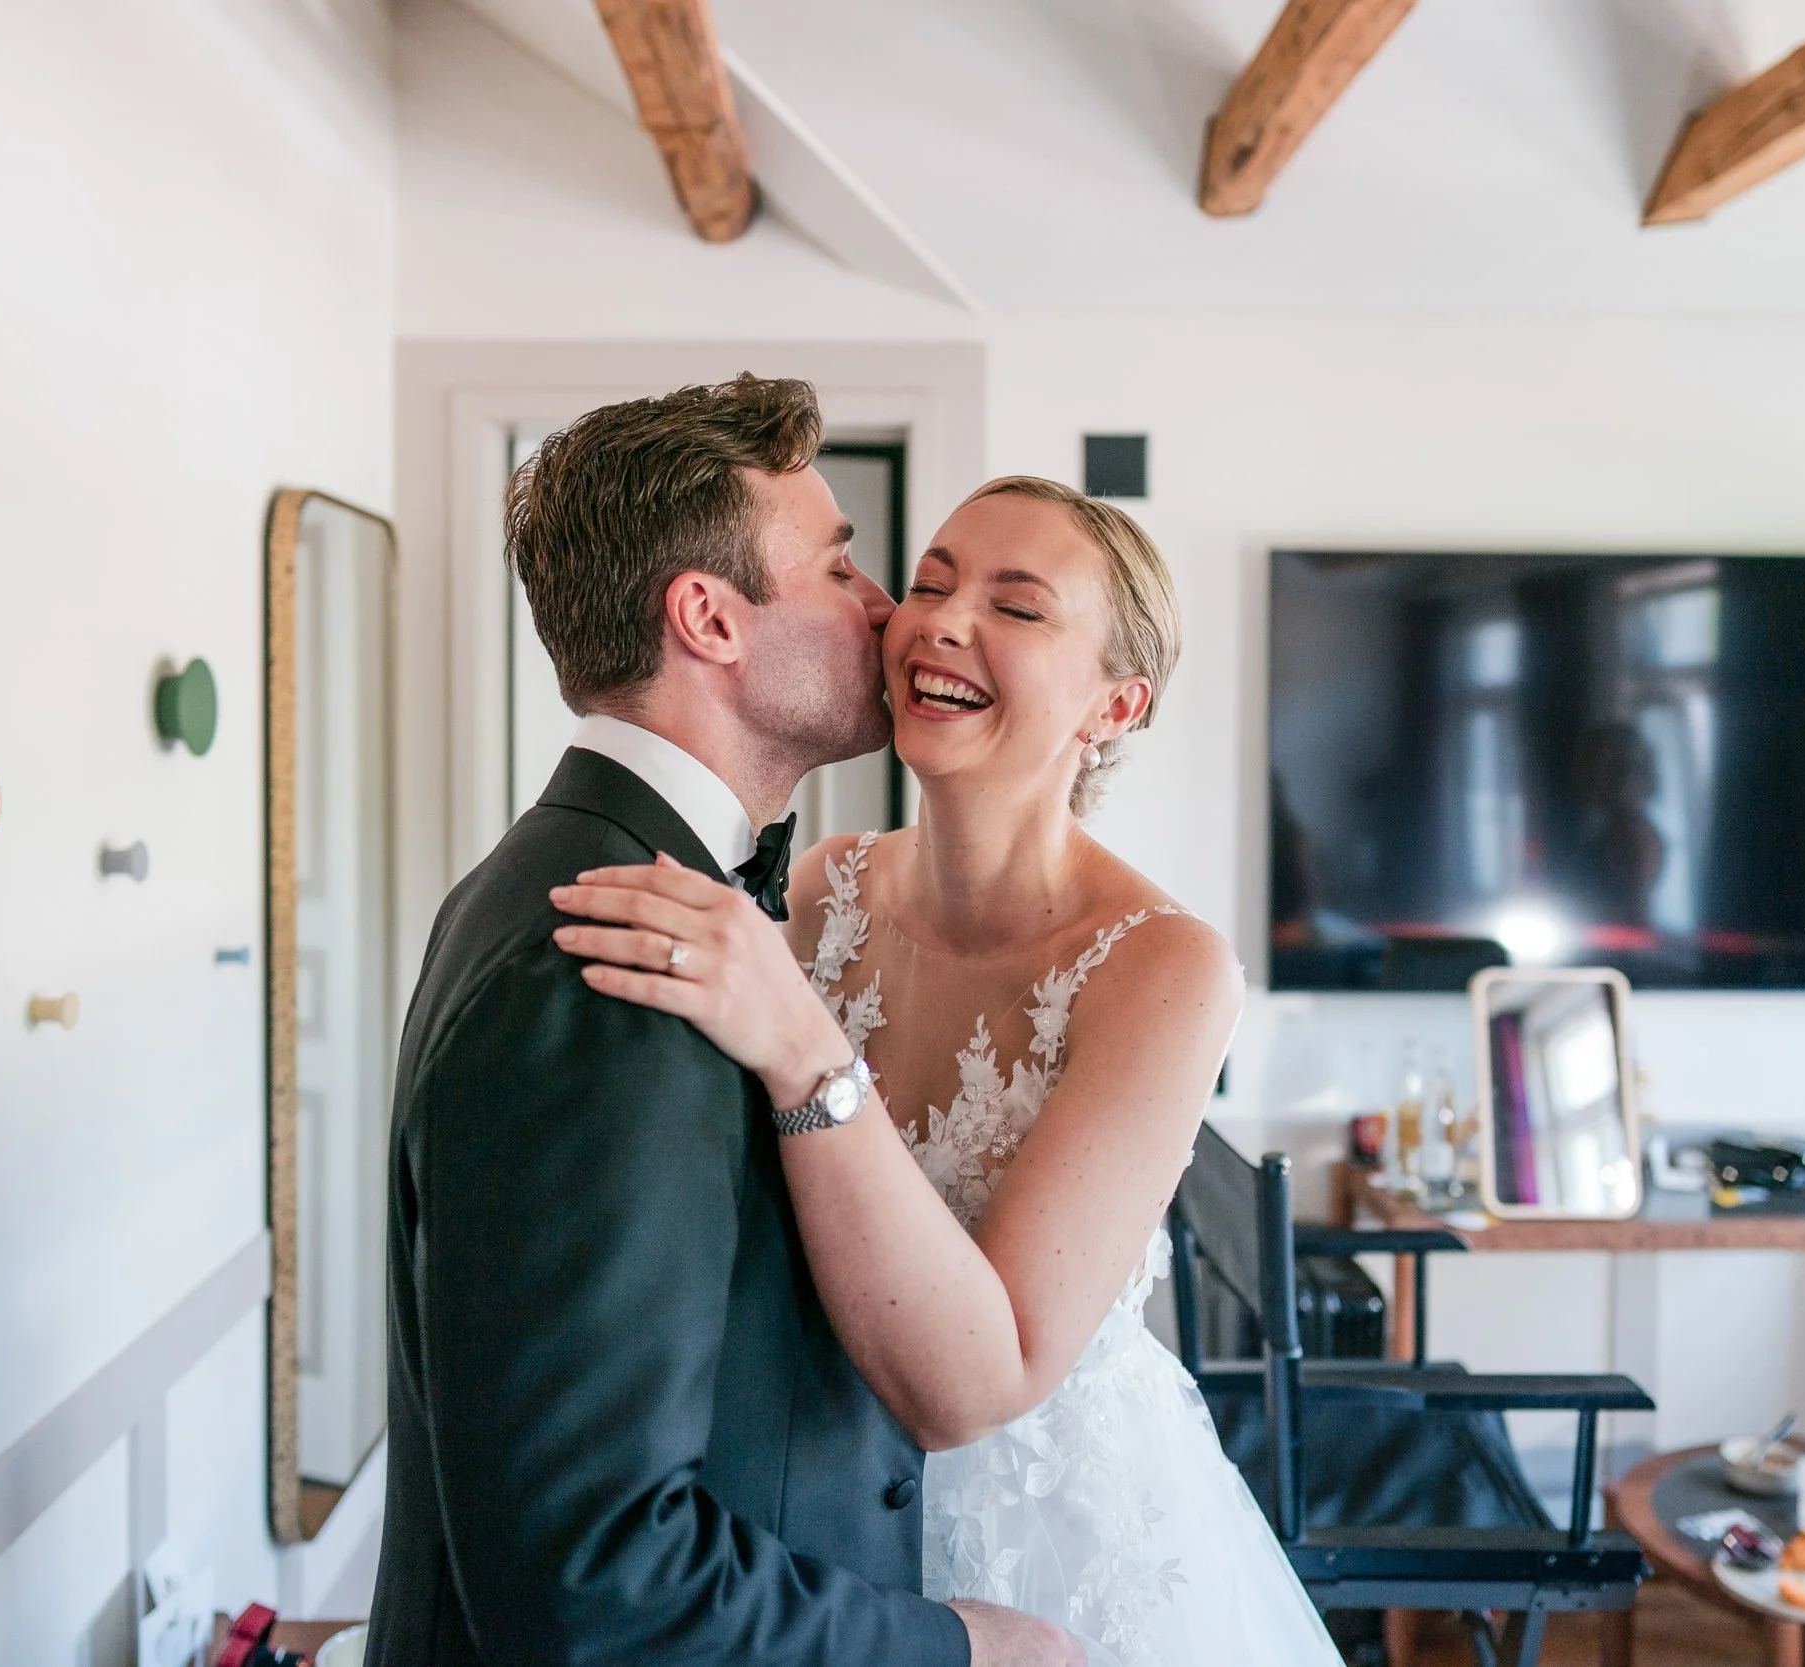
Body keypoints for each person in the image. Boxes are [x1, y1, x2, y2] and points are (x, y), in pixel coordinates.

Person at [554, 476, 1347, 1666]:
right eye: (929, 581)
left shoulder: (1165, 971)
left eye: (1016, 606)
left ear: (1114, 703)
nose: (938, 619)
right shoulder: (819, 890)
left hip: (1050, 1563)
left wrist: (805, 1050)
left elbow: (990, 1374)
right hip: (811, 1519)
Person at [366, 375, 1080, 1667]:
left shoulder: (624, 892)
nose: (885, 611)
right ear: (709, 618)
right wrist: (956, 1648)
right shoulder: (605, 959)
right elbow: (594, 1568)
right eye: (841, 565)